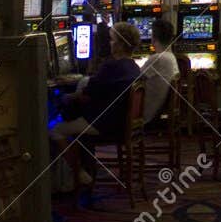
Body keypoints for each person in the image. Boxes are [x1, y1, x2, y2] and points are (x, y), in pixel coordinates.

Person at [51, 22, 143, 202]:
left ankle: (79, 173)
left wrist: (67, 96)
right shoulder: (133, 66)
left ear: (119, 44)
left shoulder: (111, 67)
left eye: (112, 40)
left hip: (103, 123)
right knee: (68, 121)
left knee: (54, 128)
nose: (109, 43)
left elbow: (86, 95)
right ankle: (78, 170)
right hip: (120, 122)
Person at [138, 17, 180, 125]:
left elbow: (135, 79)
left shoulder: (158, 58)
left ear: (153, 38)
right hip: (158, 110)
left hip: (146, 115)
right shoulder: (170, 57)